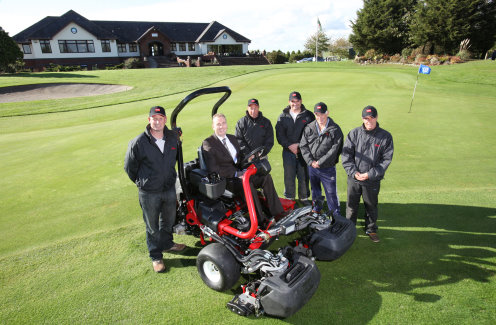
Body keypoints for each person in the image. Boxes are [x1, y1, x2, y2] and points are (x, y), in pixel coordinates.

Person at [124, 106, 187, 273]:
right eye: (154, 118)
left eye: (160, 118)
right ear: (149, 120)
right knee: (152, 225)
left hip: (168, 188)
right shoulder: (138, 143)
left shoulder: (173, 138)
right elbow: (129, 167)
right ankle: (156, 256)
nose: (157, 121)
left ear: (165, 120)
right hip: (149, 192)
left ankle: (167, 244)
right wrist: (142, 182)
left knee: (168, 220)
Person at [202, 113, 285, 224]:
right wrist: (237, 174)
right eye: (218, 124)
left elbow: (239, 159)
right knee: (247, 185)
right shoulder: (208, 143)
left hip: (241, 174)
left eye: (223, 123)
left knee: (266, 177)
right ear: (213, 126)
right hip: (227, 179)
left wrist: (248, 159)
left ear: (226, 124)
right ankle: (260, 220)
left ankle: (278, 213)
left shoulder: (232, 138)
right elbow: (214, 169)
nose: (221, 126)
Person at [341, 105, 394, 243]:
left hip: (372, 179)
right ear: (362, 118)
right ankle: (349, 230)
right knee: (351, 206)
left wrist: (369, 174)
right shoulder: (353, 134)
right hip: (354, 178)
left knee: (371, 205)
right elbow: (346, 156)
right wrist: (354, 172)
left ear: (376, 117)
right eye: (366, 118)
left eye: (371, 118)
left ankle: (371, 229)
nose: (369, 121)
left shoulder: (385, 137)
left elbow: (385, 160)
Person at [300, 102, 343, 217]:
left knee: (331, 193)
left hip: (327, 168)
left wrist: (320, 162)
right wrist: (311, 162)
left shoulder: (335, 129)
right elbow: (303, 146)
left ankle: (336, 216)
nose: (320, 117)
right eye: (317, 115)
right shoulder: (309, 127)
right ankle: (316, 210)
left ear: (327, 113)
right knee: (315, 191)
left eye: (322, 114)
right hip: (312, 167)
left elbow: (335, 150)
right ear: (315, 114)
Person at [275, 91, 315, 205]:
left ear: (301, 101)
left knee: (303, 176)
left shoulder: (309, 115)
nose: (295, 103)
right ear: (289, 102)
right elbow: (280, 134)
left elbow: (311, 134)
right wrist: (289, 145)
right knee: (289, 176)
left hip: (303, 152)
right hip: (288, 152)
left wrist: (299, 146)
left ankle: (303, 198)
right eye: (293, 101)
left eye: (297, 101)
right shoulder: (282, 116)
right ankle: (289, 199)